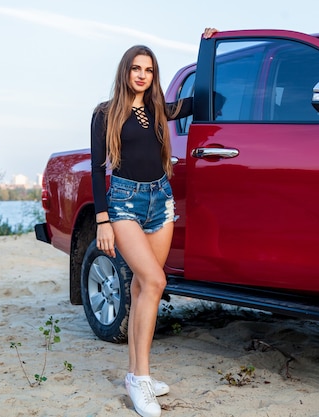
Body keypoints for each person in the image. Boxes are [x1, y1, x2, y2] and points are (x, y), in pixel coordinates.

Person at [90, 28, 218, 417]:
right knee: (157, 282)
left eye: (148, 69)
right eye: (135, 68)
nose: (142, 75)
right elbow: (98, 170)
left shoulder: (161, 109)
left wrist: (210, 46)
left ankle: (136, 374)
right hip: (124, 203)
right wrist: (102, 220)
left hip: (160, 201)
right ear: (125, 72)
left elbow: (202, 99)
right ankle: (141, 379)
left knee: (146, 288)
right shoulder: (105, 113)